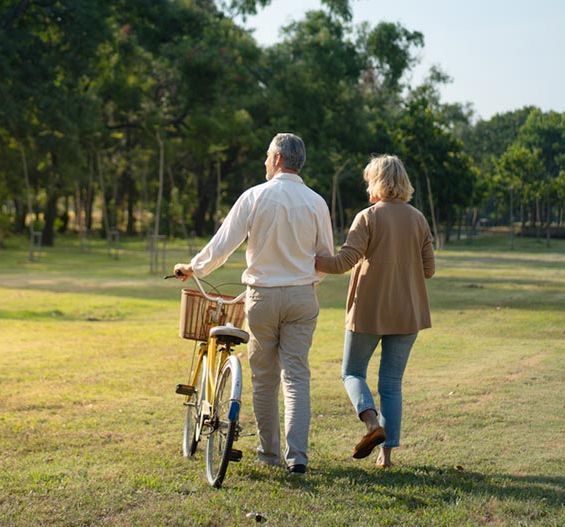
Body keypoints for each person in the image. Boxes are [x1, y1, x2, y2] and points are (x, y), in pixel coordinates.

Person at [174, 133, 334, 476]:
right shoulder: (317, 202)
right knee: (296, 376)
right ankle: (298, 458)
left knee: (264, 379)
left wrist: (194, 268)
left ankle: (269, 453)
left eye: (266, 156)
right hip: (302, 296)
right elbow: (325, 259)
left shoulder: (255, 197)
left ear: (277, 159)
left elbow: (223, 245)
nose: (264, 162)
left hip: (262, 297)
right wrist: (305, 281)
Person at [315, 154, 435, 468]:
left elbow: (342, 263)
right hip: (407, 313)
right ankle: (386, 457)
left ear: (377, 182)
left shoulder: (367, 217)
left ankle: (371, 424)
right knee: (391, 384)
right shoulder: (419, 219)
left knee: (352, 372)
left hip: (368, 311)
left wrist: (309, 258)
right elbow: (429, 270)